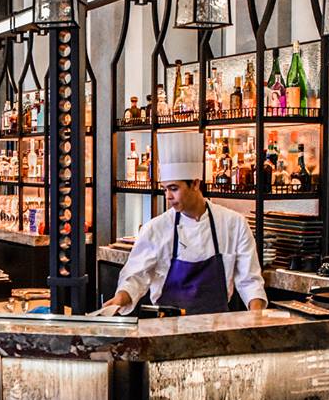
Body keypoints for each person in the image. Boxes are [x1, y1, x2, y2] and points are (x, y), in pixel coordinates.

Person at [104, 131, 267, 316]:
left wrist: (256, 317)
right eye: (165, 189)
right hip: (167, 326)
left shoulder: (234, 224)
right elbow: (135, 277)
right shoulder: (156, 229)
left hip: (218, 326)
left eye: (174, 188)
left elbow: (250, 280)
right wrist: (119, 299)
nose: (168, 196)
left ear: (195, 184)